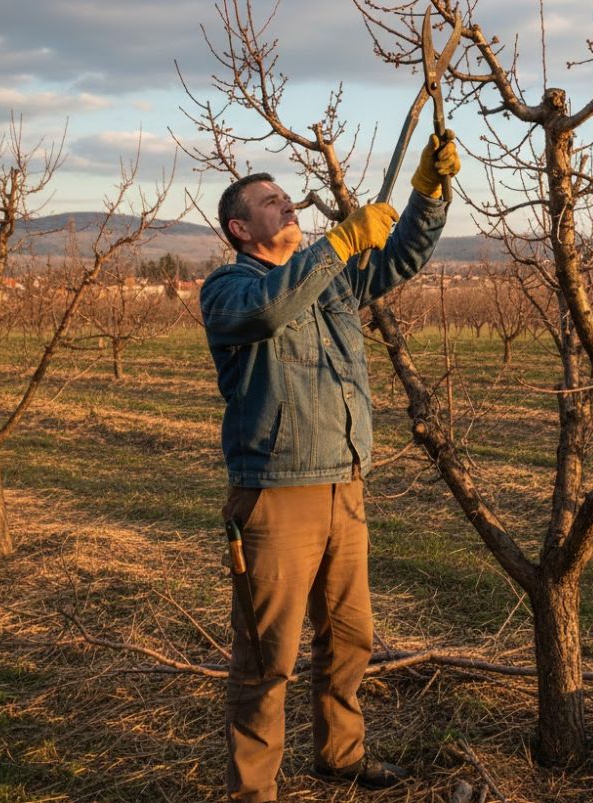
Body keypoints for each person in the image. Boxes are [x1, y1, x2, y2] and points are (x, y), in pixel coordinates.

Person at [200, 132, 460, 803]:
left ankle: (340, 755)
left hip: (345, 486)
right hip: (275, 496)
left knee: (349, 639)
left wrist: (428, 194)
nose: (288, 205)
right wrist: (339, 242)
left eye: (288, 198)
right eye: (270, 201)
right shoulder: (230, 287)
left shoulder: (329, 277)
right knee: (267, 658)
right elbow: (269, 312)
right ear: (239, 228)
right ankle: (253, 793)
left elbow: (401, 257)